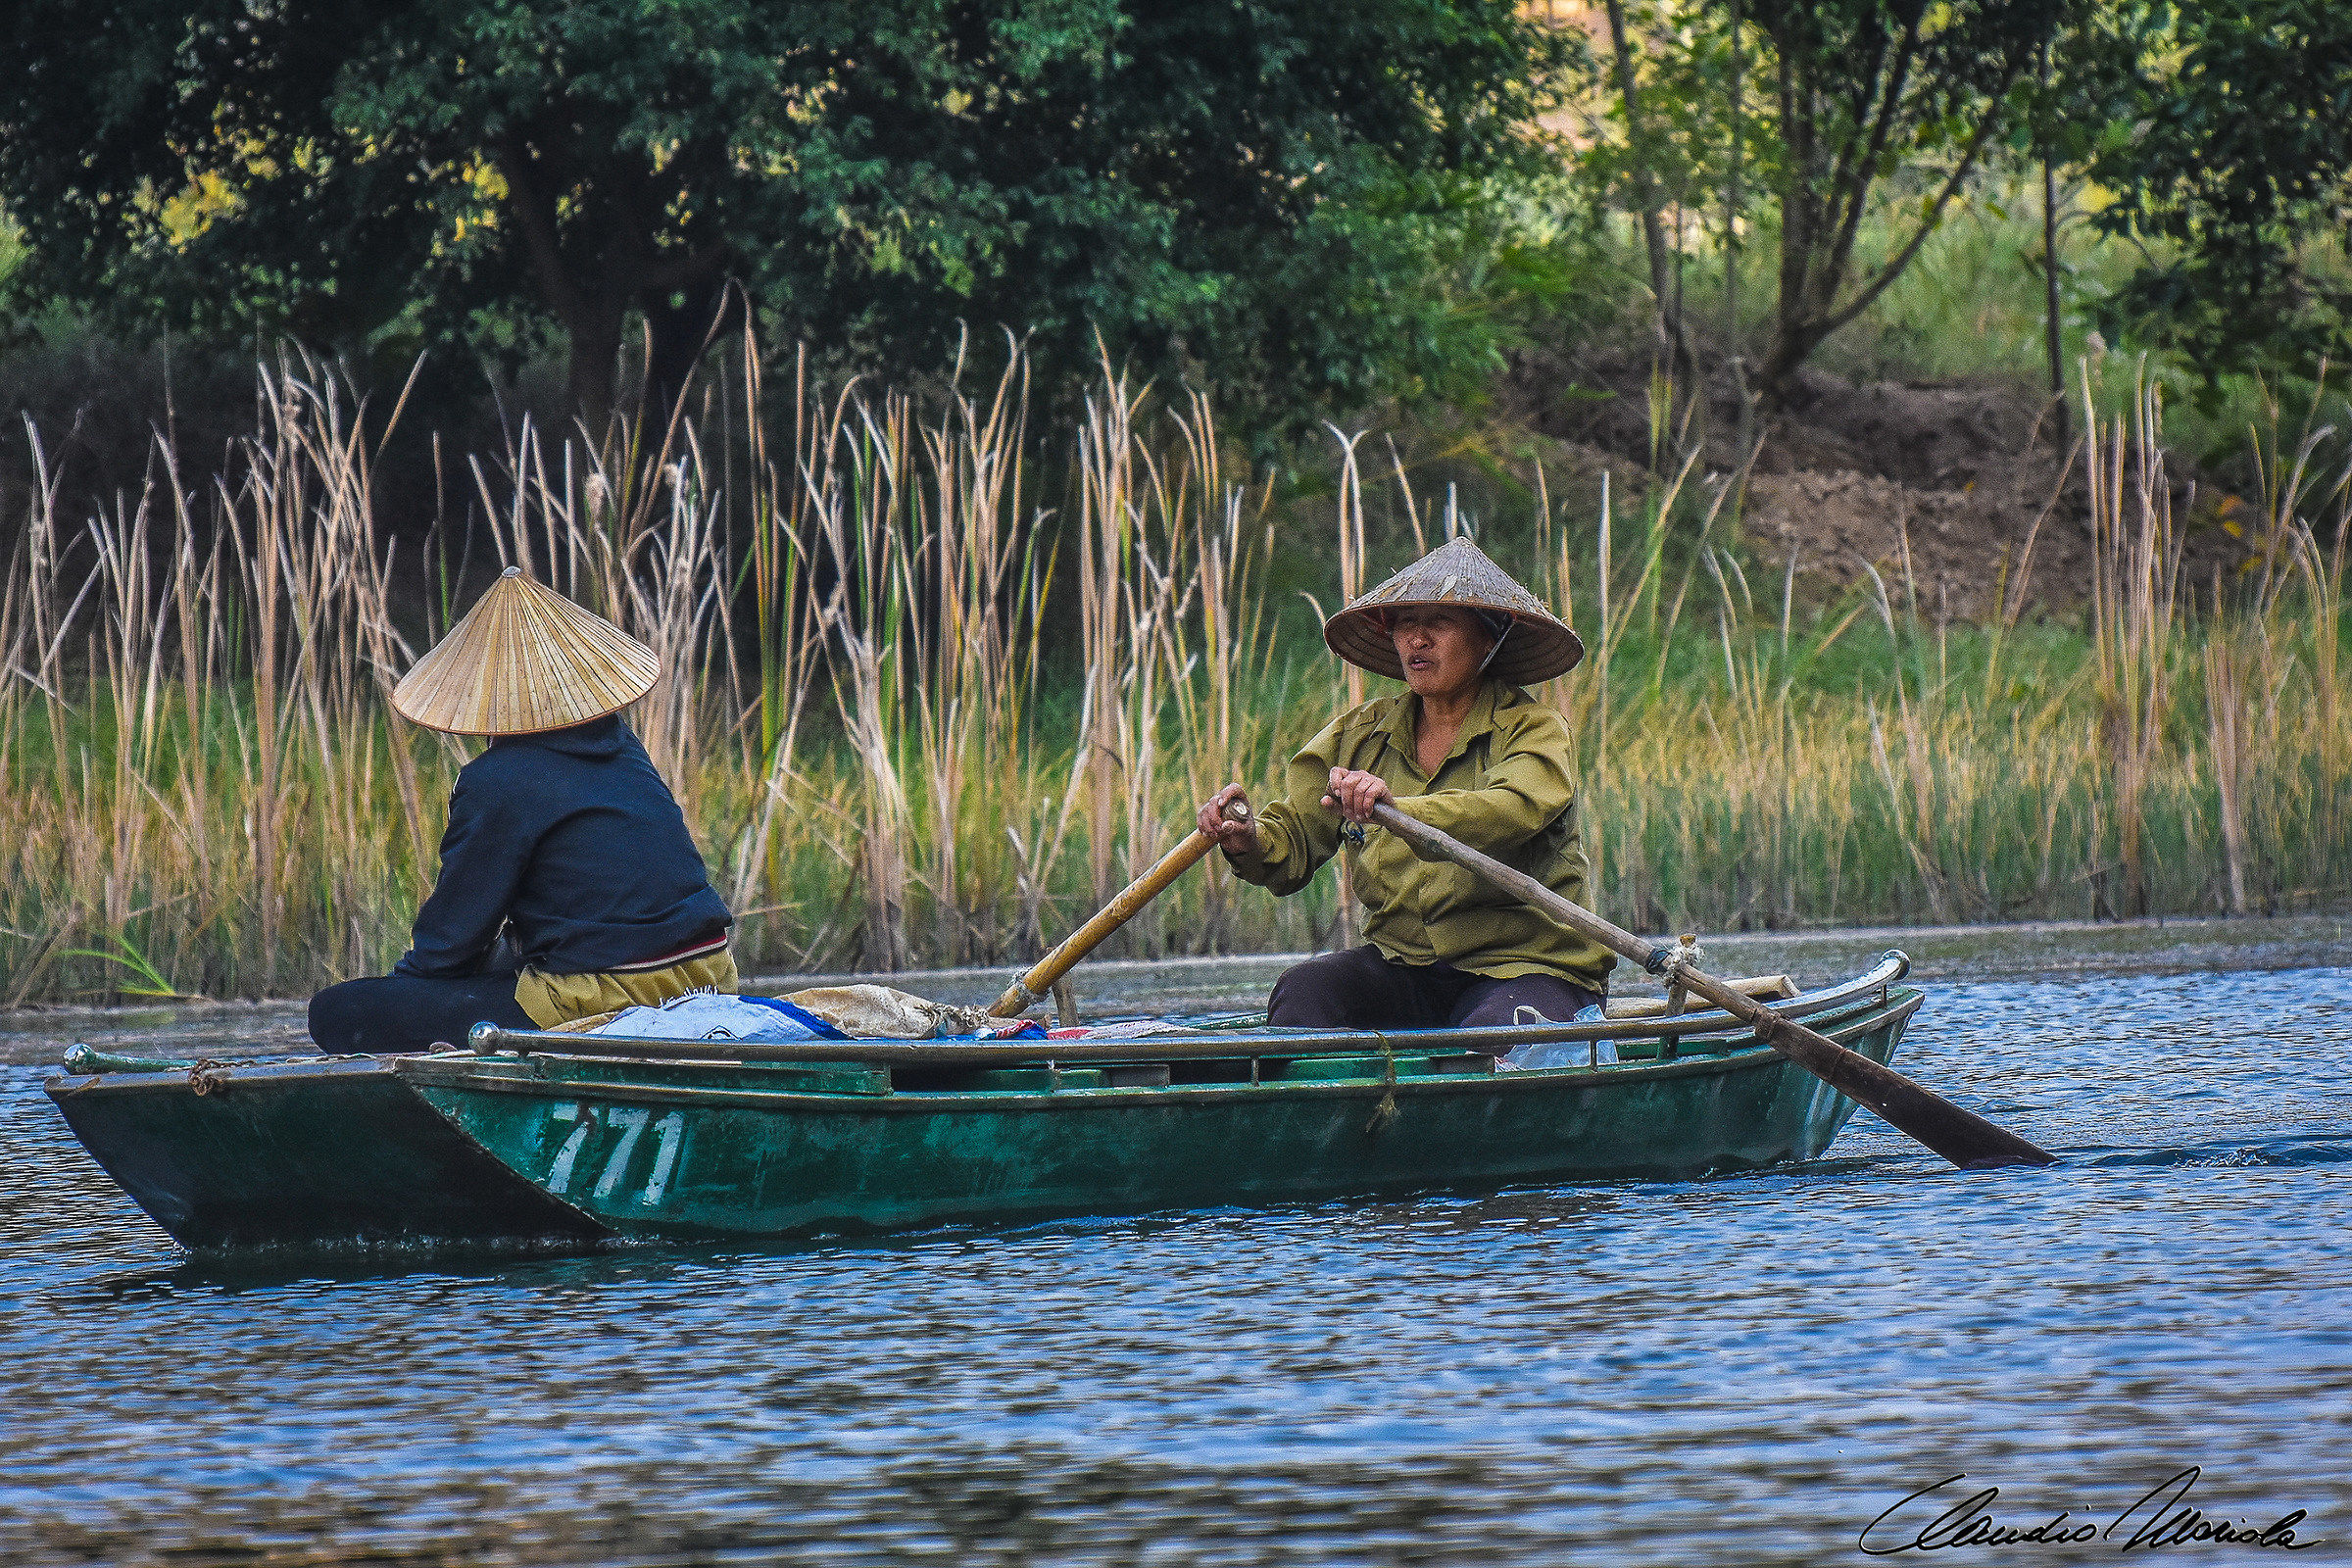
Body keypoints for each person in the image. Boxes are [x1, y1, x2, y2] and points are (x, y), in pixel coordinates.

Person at [1197, 536, 1612, 1037]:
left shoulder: (1534, 729)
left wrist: (1401, 810)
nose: (1418, 639)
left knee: (1493, 1035)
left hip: (1526, 966)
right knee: (1304, 993)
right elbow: (1294, 840)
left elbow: (1512, 809)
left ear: (1488, 638)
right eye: (1406, 623)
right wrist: (1248, 839)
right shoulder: (1359, 738)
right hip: (1407, 965)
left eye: (1440, 622)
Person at [308, 567, 736, 1053]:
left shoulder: (496, 780)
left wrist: (407, 992)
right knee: (497, 966)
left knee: (339, 1011)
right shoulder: (624, 747)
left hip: (605, 991)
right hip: (708, 975)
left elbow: (450, 944)